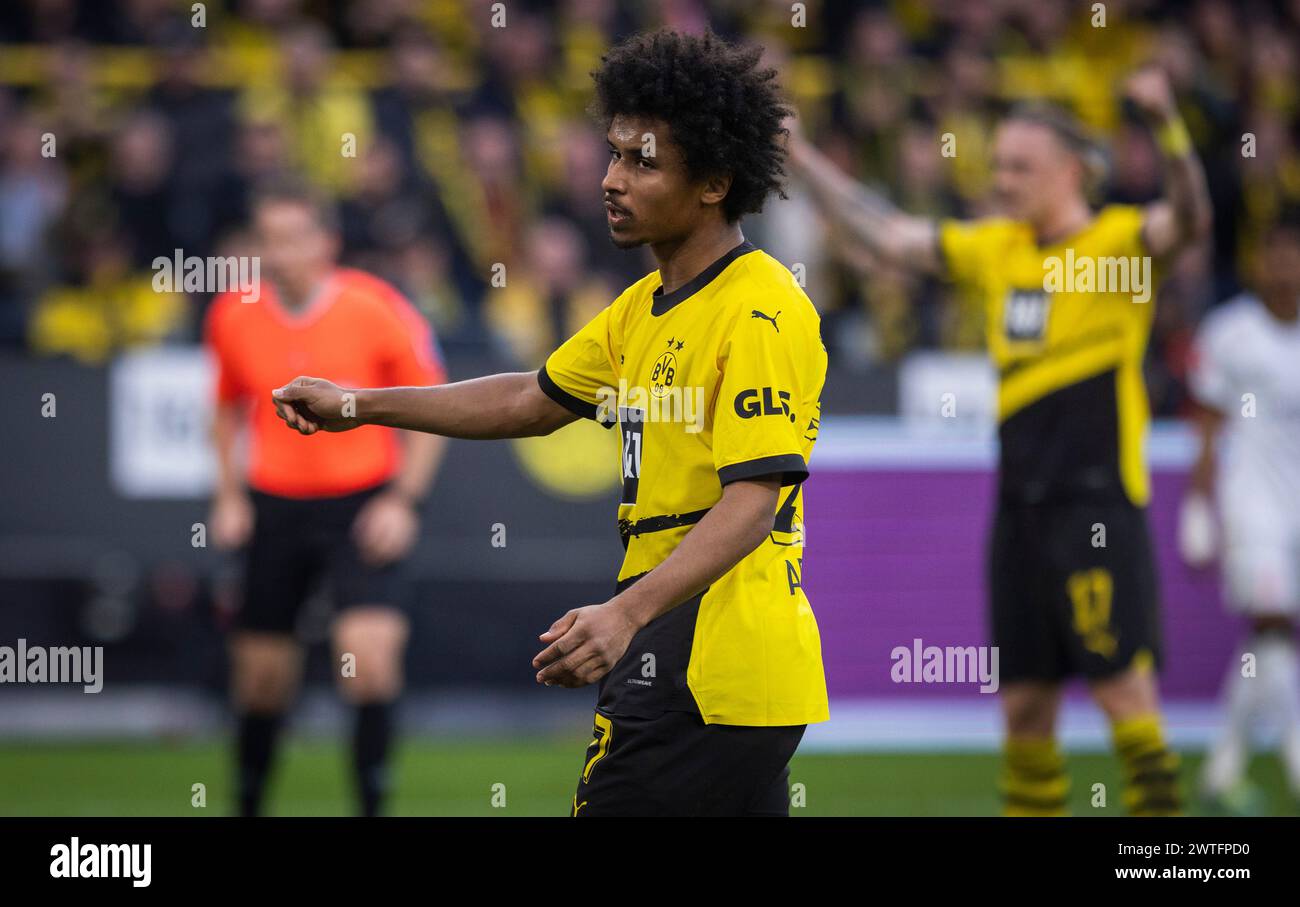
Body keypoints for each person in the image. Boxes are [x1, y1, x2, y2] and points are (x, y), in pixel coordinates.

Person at [270, 29, 828, 817]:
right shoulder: (643, 308)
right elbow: (530, 400)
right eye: (612, 155)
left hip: (709, 655)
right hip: (707, 660)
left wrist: (626, 614)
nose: (610, 179)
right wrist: (357, 405)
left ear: (713, 181)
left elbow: (751, 503)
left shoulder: (762, 310)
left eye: (642, 162)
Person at [787, 66, 1211, 815]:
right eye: (999, 165)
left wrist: (1168, 127)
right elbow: (884, 232)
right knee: (1022, 707)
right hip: (1018, 510)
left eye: (1021, 166)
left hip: (1096, 505)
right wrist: (798, 155)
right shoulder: (995, 249)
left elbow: (1193, 218)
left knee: (1121, 689)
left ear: (1074, 170)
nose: (1004, 179)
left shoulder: (1121, 244)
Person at [205, 178, 447, 816]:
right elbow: (225, 409)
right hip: (274, 505)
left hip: (359, 504)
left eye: (292, 237)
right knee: (261, 681)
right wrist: (228, 497)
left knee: (367, 662)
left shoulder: (376, 307)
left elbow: (429, 402)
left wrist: (402, 501)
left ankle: (372, 807)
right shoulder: (233, 314)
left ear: (326, 243)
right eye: (268, 239)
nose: (278, 252)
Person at [1184, 215, 1300, 813]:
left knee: (1266, 638)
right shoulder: (1232, 333)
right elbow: (1206, 421)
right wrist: (1198, 504)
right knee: (1274, 622)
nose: (1283, 267)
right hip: (1252, 505)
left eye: (1292, 255)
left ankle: (1223, 765)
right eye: (1272, 254)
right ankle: (1294, 757)